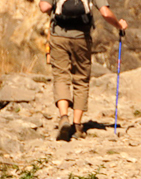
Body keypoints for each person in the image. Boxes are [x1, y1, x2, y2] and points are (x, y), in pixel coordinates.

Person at [39, 0, 129, 140]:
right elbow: (105, 12)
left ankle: (63, 117)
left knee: (61, 76)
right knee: (81, 79)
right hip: (81, 37)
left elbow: (44, 7)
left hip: (58, 36)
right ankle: (77, 126)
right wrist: (119, 25)